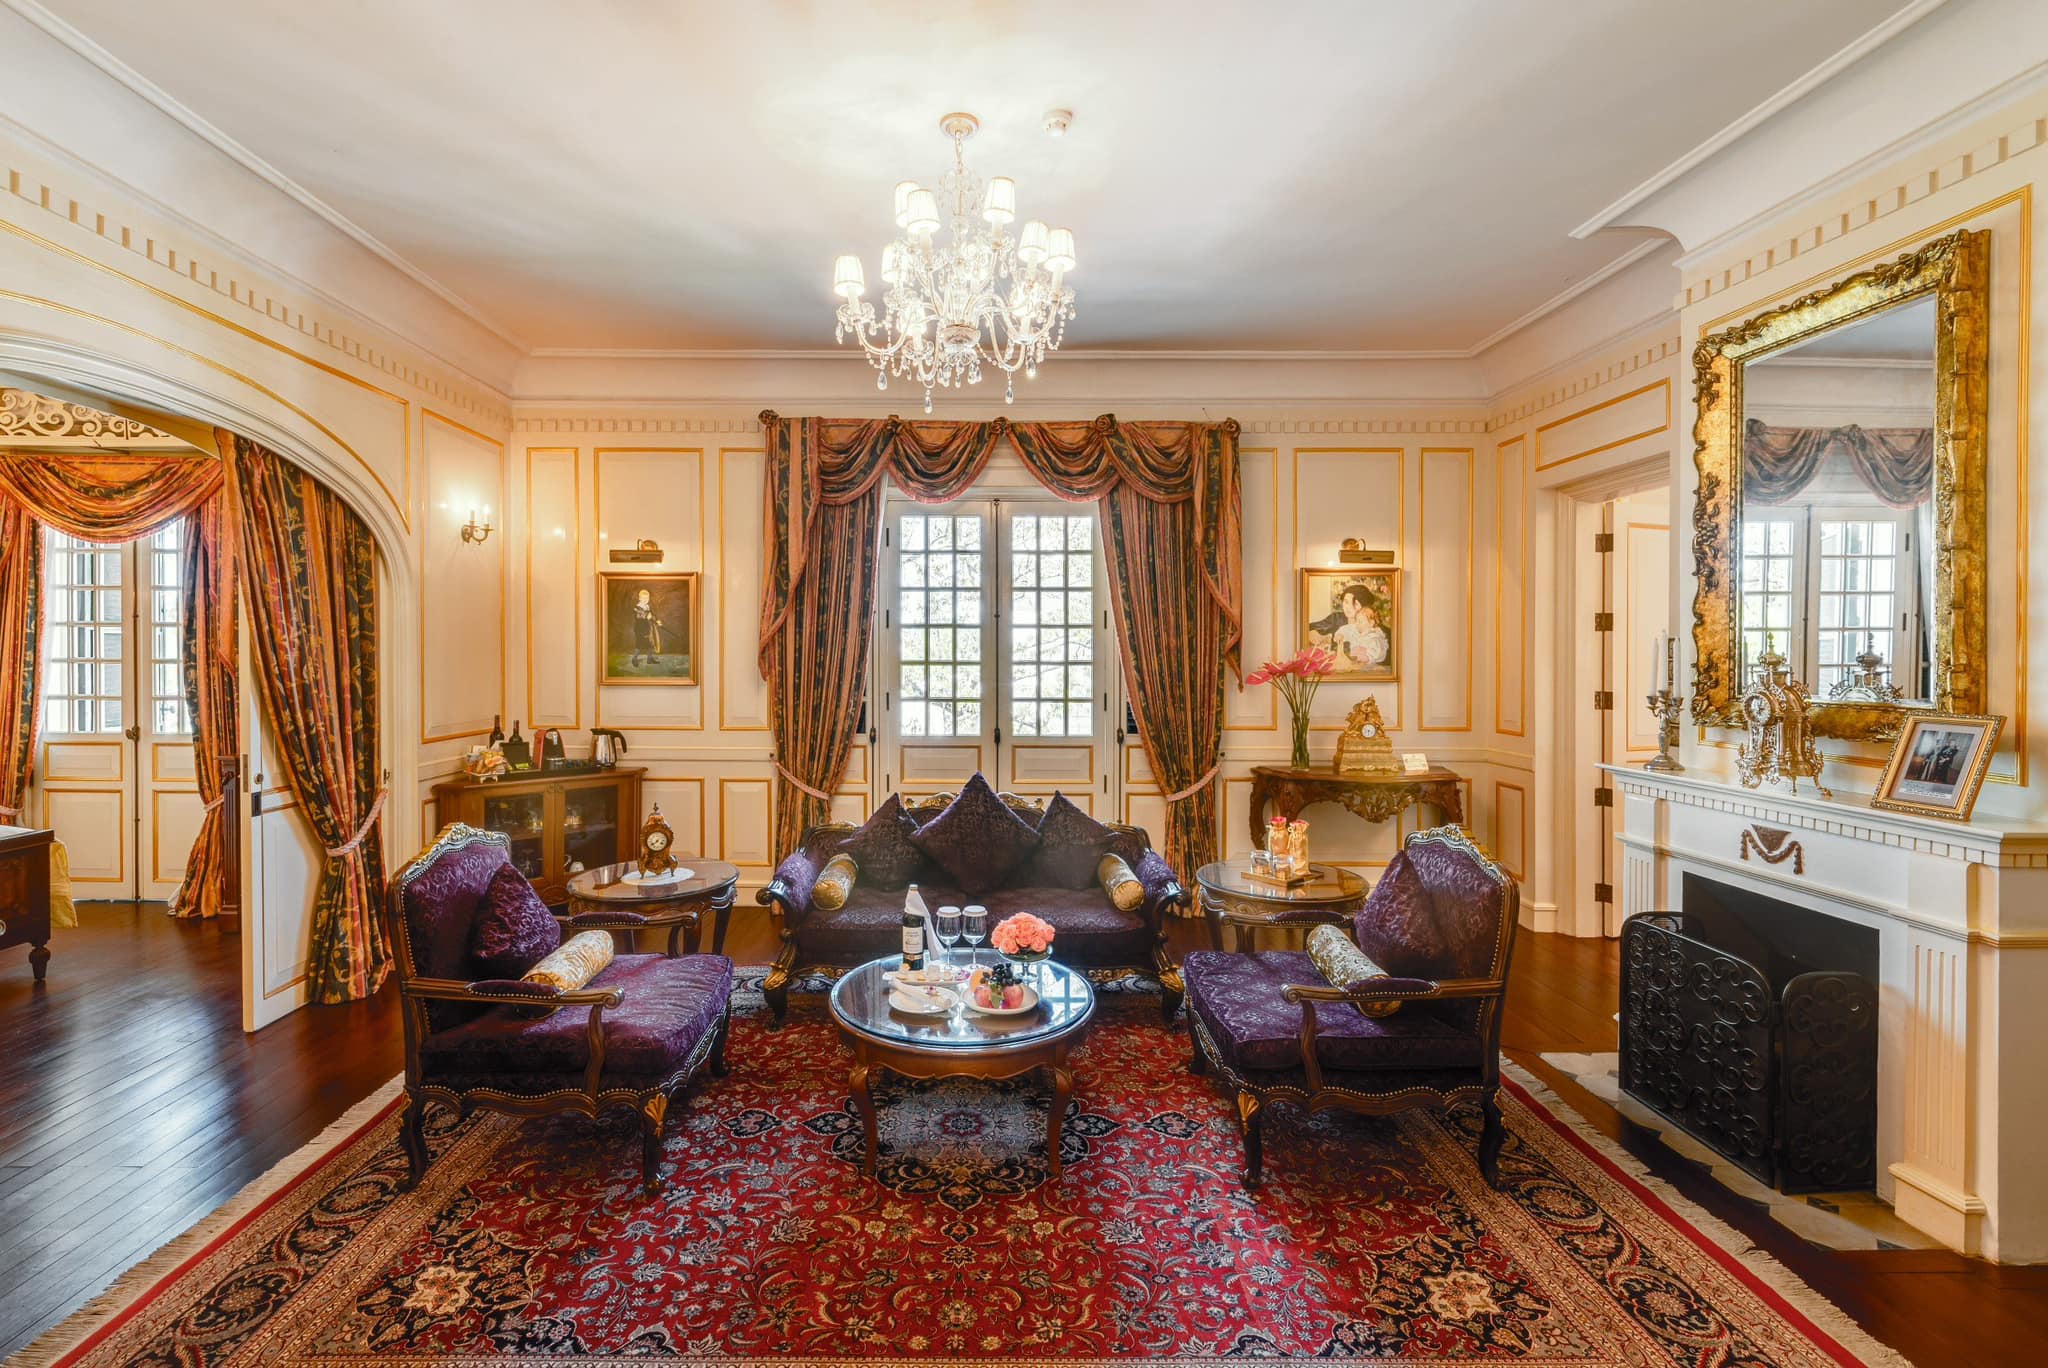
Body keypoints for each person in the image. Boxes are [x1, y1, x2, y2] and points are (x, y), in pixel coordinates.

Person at [629, 587, 664, 667]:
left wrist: (657, 621)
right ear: (639, 598)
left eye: (647, 598)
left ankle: (649, 659)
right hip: (640, 628)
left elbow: (652, 615)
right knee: (639, 644)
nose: (645, 600)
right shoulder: (636, 608)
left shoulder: (647, 606)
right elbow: (638, 616)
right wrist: (646, 617)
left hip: (647, 628)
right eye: (643, 598)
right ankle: (634, 658)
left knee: (650, 643)